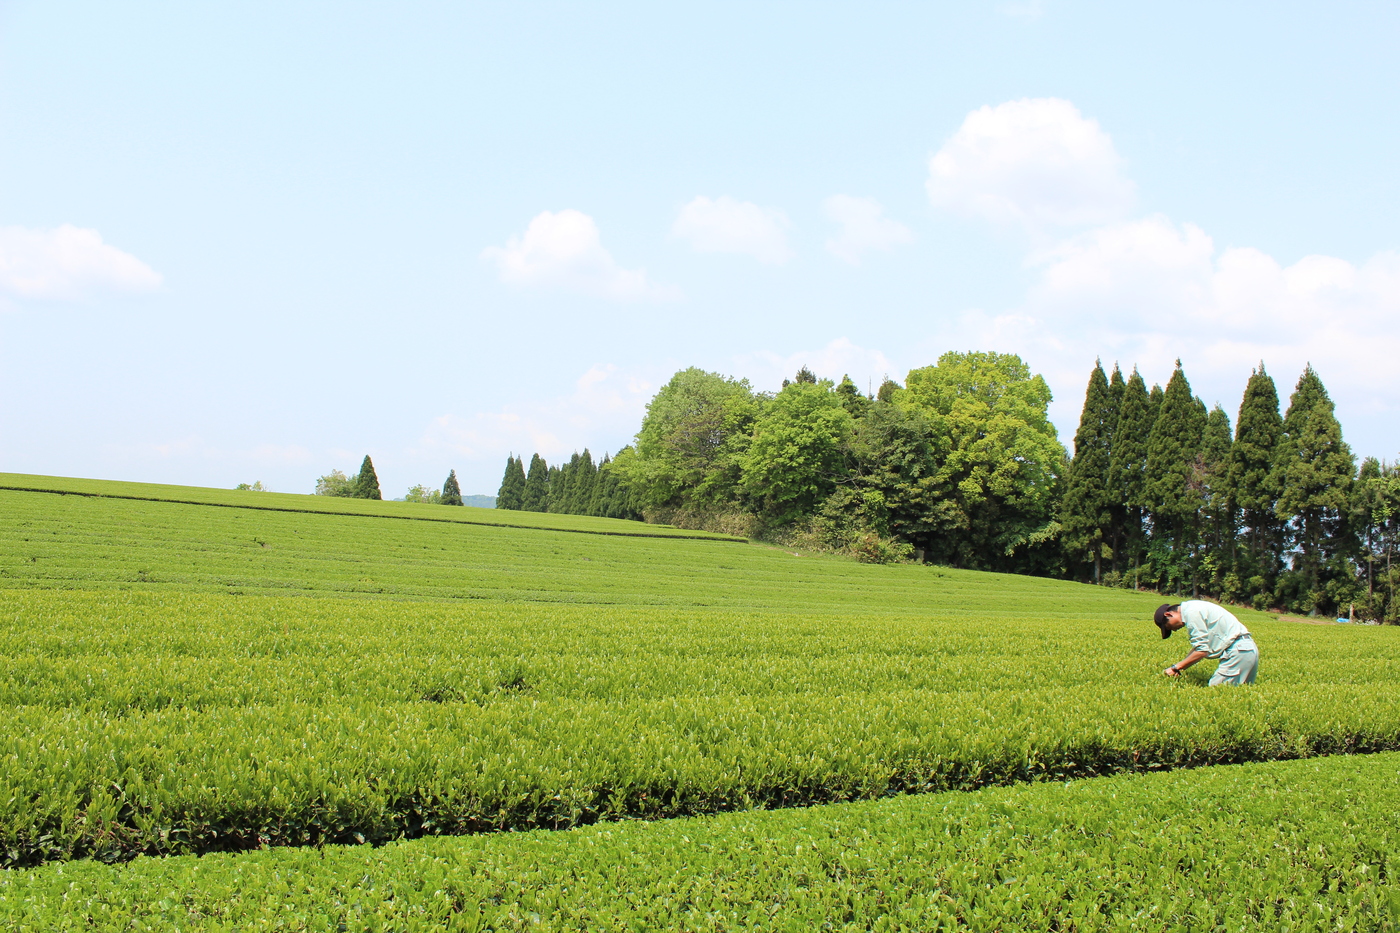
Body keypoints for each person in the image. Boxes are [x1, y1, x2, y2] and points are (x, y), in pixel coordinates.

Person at [1154, 601, 1258, 685]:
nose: (1174, 630)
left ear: (1168, 614)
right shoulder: (1194, 606)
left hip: (1238, 652)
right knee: (1237, 696)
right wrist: (1180, 666)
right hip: (1246, 649)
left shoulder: (1191, 613)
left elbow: (1201, 651)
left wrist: (1175, 668)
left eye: (1169, 626)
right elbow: (1199, 648)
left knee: (1218, 694)